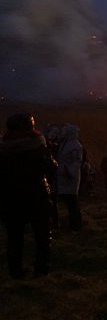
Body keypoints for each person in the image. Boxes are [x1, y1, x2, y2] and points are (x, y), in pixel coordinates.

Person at [0, 113, 57, 278]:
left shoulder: (3, 149)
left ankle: (15, 271)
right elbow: (51, 168)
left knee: (14, 238)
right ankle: (41, 269)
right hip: (37, 196)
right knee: (42, 236)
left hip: (10, 199)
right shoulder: (38, 146)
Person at [56, 124, 83, 231]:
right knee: (69, 202)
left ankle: (75, 224)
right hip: (63, 175)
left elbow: (77, 162)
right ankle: (72, 223)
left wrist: (68, 171)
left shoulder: (76, 145)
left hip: (70, 177)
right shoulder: (64, 143)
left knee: (72, 202)